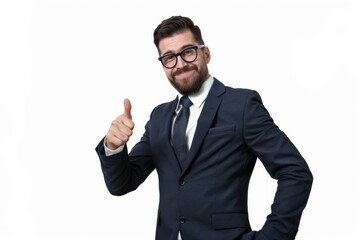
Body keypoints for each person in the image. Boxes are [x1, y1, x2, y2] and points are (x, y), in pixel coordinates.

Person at [95, 15, 313, 240]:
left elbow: (295, 172)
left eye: (187, 51)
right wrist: (113, 146)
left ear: (205, 54)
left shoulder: (241, 105)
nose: (179, 64)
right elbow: (122, 184)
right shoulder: (158, 117)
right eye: (169, 58)